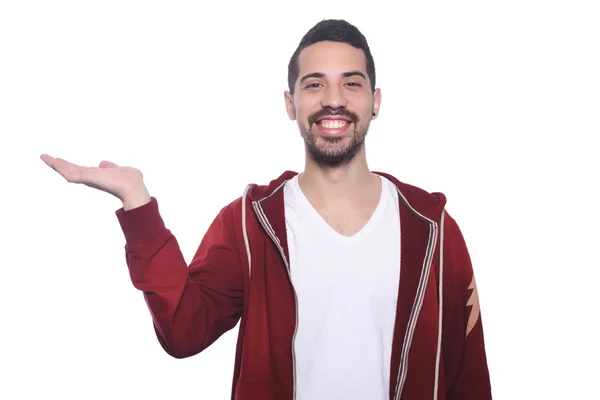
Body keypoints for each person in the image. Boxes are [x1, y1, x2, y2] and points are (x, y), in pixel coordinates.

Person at [40, 19, 492, 400]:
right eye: (314, 84)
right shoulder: (249, 223)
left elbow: (468, 375)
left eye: (351, 83)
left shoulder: (432, 229)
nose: (333, 99)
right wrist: (137, 203)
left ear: (375, 102)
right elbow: (183, 331)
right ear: (291, 104)